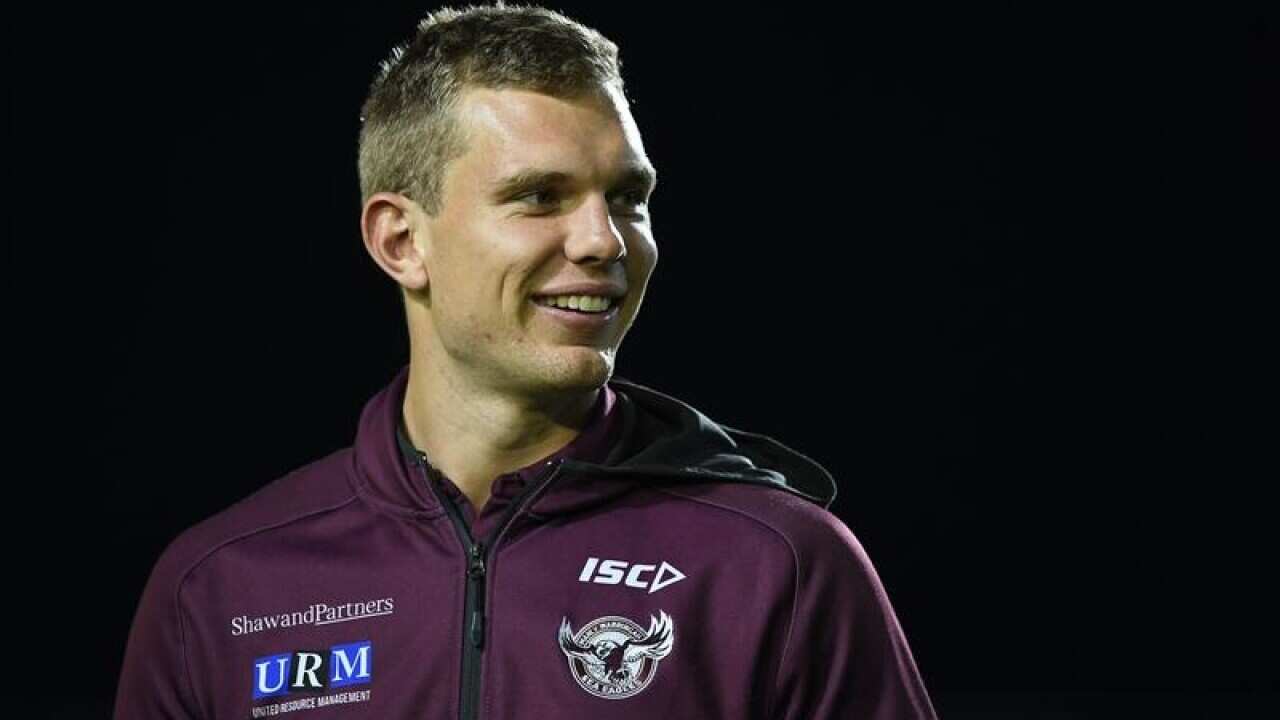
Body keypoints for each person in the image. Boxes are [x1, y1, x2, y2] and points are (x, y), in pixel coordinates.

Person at [114, 3, 939, 718]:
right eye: (540, 197)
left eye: (627, 199)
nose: (604, 241)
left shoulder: (778, 564)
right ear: (401, 241)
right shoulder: (219, 588)